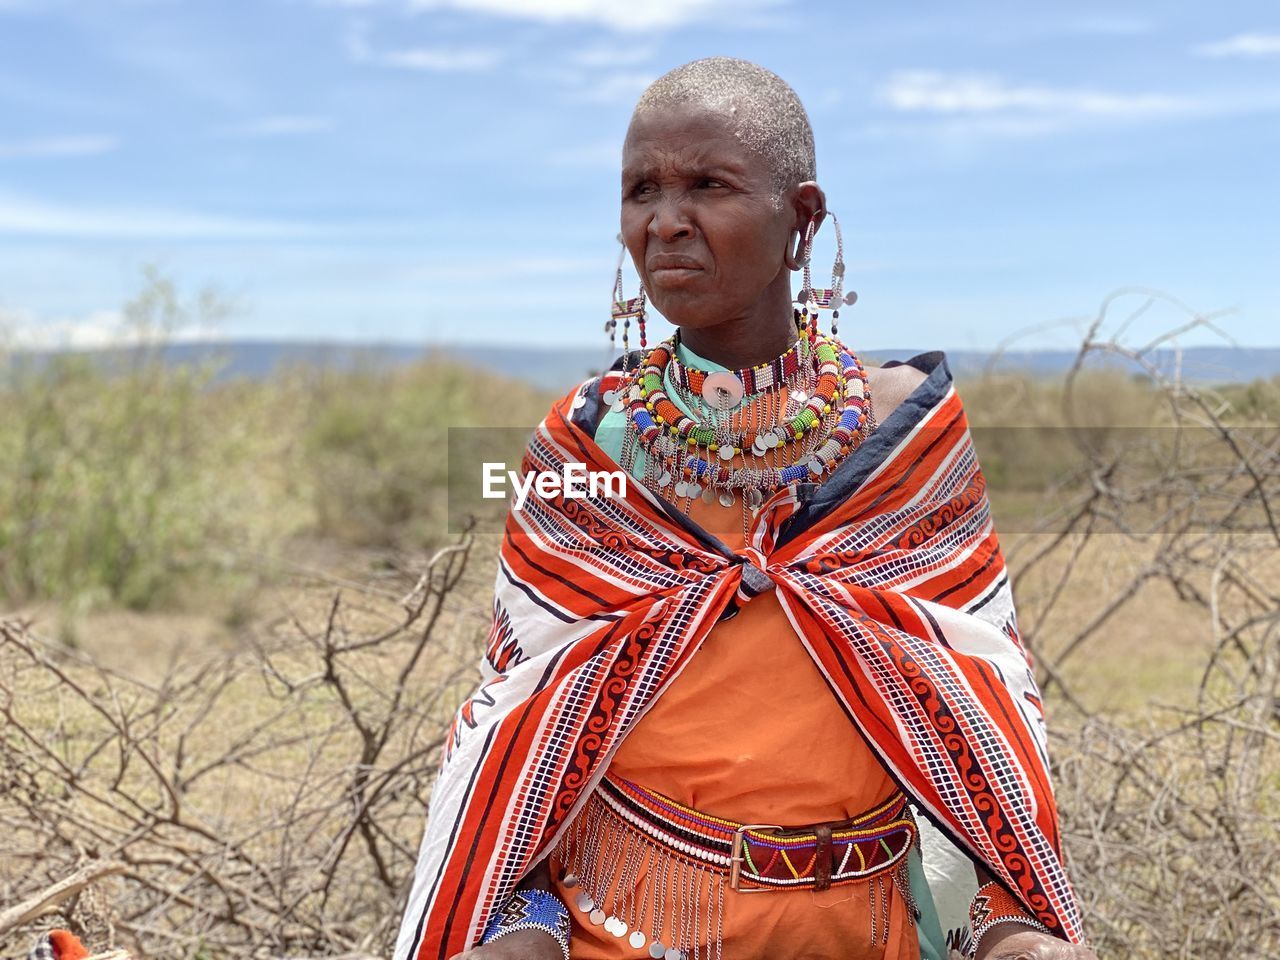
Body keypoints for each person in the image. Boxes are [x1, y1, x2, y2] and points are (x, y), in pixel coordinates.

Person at [394, 58, 1099, 960]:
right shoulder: (583, 447)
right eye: (641, 189)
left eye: (707, 186)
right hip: (630, 930)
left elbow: (983, 713)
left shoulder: (907, 442)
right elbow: (525, 729)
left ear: (801, 220)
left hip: (875, 931)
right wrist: (518, 932)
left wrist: (1012, 929)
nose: (665, 220)